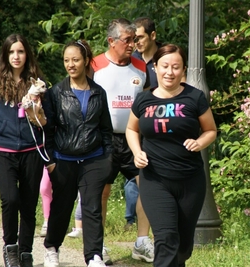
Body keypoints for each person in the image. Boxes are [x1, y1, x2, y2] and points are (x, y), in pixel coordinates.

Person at [126, 44, 217, 267]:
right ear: (155, 67)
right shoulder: (143, 100)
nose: (170, 72)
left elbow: (211, 130)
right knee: (166, 239)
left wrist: (199, 142)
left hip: (189, 181)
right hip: (154, 180)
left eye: (176, 67)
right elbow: (131, 129)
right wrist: (137, 153)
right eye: (165, 66)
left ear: (183, 69)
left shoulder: (194, 97)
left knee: (183, 247)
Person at [43, 39, 113, 267]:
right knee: (61, 208)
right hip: (63, 160)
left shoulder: (98, 93)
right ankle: (52, 249)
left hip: (94, 159)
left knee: (92, 208)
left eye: (75, 60)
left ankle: (94, 256)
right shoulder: (55, 93)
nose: (70, 65)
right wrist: (51, 161)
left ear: (85, 62)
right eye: (66, 60)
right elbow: (48, 130)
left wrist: (107, 160)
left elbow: (106, 130)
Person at [91, 18, 154, 264]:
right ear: (111, 41)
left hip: (134, 139)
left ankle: (141, 242)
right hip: (103, 139)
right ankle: (99, 246)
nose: (133, 44)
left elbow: (148, 100)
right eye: (127, 40)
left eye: (135, 39)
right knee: (101, 192)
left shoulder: (141, 66)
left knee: (147, 186)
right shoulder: (94, 64)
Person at [0, 33, 52, 267]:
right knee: (10, 198)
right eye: (11, 52)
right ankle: (10, 248)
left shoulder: (38, 82)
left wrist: (36, 112)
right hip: (1, 149)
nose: (16, 56)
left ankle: (26, 252)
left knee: (28, 203)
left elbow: (47, 121)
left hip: (31, 149)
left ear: (27, 54)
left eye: (21, 51)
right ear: (5, 55)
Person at [133, 17, 162, 89]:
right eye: (134, 38)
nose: (137, 42)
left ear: (153, 35)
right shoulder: (131, 60)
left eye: (141, 37)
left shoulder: (166, 57)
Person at [40, 167, 52, 237]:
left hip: (63, 160)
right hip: (47, 160)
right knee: (44, 188)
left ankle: (61, 221)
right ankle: (47, 221)